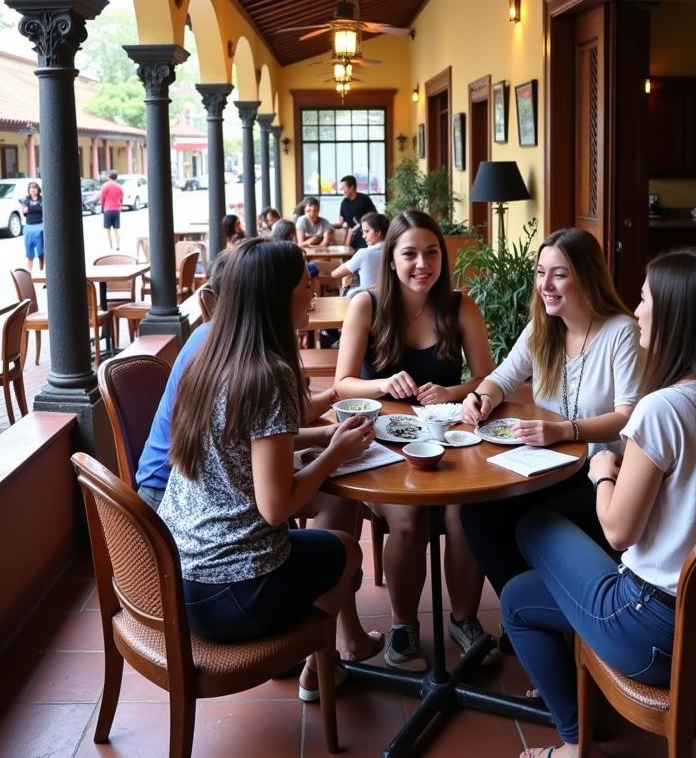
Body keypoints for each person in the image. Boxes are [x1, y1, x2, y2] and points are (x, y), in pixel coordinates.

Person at [501, 249, 696, 758]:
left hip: (657, 636)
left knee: (531, 537)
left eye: (644, 300)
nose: (636, 311)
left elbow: (618, 531)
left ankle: (578, 746)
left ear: (676, 317)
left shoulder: (663, 410)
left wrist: (602, 474)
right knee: (531, 577)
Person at [156, 239, 383, 701]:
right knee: (345, 551)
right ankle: (318, 663)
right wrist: (334, 454)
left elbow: (251, 446)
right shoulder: (269, 373)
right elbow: (276, 507)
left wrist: (323, 440)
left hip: (179, 579)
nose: (314, 294)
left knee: (330, 510)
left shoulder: (213, 357)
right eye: (306, 285)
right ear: (276, 296)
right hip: (229, 595)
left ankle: (319, 654)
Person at [334, 210, 498, 672]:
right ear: (390, 259)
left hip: (451, 442)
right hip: (384, 445)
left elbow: (488, 377)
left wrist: (453, 391)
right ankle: (403, 625)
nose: (421, 264)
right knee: (406, 520)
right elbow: (343, 383)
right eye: (409, 254)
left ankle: (463, 619)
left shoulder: (459, 305)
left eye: (431, 253)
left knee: (466, 514)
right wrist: (383, 385)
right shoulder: (366, 304)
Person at [460, 228, 642, 596]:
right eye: (541, 273)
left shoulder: (621, 331)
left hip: (602, 477)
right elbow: (502, 378)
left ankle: (537, 615)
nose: (546, 285)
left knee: (525, 519)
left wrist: (564, 431)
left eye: (559, 274)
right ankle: (521, 613)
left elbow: (628, 417)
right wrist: (480, 397)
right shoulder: (543, 328)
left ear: (587, 277)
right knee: (475, 513)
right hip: (544, 469)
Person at [331, 211, 388, 294]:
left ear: (378, 232)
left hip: (368, 300)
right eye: (363, 232)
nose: (363, 236)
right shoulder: (394, 250)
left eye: (367, 231)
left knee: (346, 281)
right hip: (389, 300)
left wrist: (346, 284)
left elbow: (335, 274)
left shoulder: (364, 253)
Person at [334, 175, 376, 250]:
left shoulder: (364, 199)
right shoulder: (344, 203)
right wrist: (328, 226)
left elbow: (374, 216)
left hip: (365, 235)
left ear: (351, 188)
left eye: (343, 187)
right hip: (351, 236)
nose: (341, 189)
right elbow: (340, 222)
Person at [20, 181, 44, 273]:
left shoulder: (42, 200)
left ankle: (42, 271)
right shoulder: (26, 200)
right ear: (28, 190)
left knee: (41, 253)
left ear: (38, 189)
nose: (33, 190)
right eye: (31, 188)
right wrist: (25, 208)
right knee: (29, 254)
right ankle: (29, 273)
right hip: (29, 228)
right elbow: (24, 211)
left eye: (35, 188)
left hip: (40, 227)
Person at [99, 170, 124, 250]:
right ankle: (118, 245)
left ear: (109, 177)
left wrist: (102, 206)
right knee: (117, 230)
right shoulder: (119, 186)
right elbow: (121, 198)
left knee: (108, 230)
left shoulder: (105, 186)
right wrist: (120, 205)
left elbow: (102, 198)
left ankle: (111, 246)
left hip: (107, 210)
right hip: (116, 210)